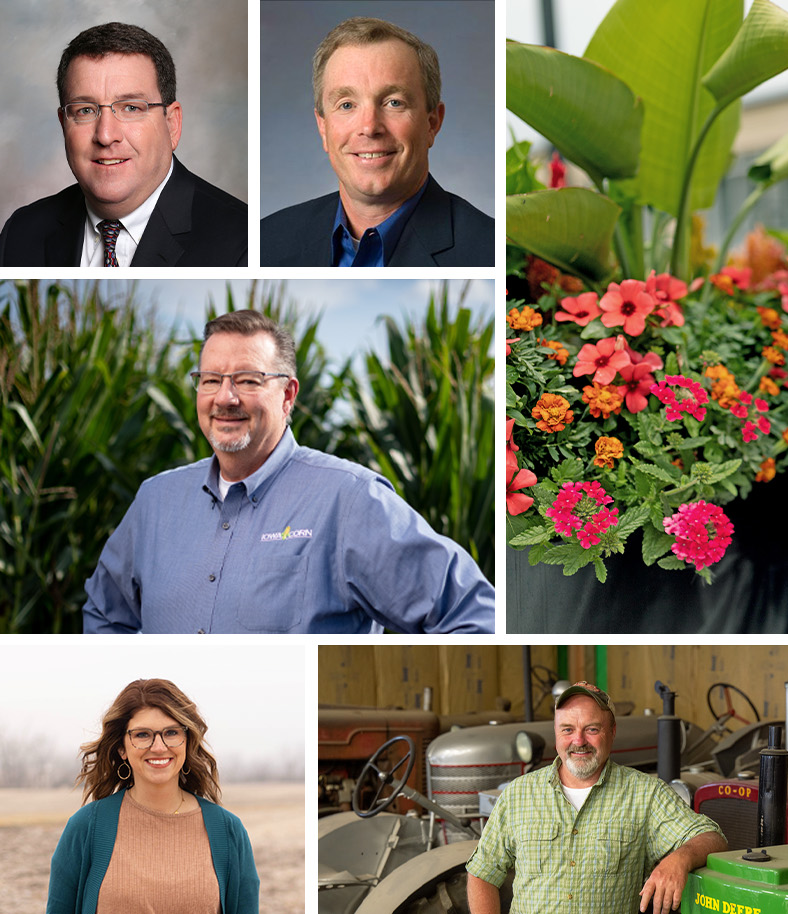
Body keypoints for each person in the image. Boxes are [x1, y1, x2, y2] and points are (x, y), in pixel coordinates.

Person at [82, 309, 495, 633]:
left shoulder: (349, 499)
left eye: (247, 380)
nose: (225, 398)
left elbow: (472, 613)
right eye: (210, 380)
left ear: (288, 394)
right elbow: (104, 613)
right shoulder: (155, 502)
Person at [466, 682, 728, 914]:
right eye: (567, 730)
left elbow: (712, 837)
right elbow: (483, 874)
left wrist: (679, 859)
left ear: (612, 732)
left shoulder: (645, 794)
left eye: (591, 729)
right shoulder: (518, 794)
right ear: (556, 732)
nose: (578, 741)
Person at [0, 22, 247, 267]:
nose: (106, 136)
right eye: (85, 110)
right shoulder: (20, 234)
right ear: (64, 123)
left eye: (131, 108)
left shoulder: (242, 242)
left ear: (172, 124)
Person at [261, 17, 494, 266]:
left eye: (394, 102)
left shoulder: (488, 251)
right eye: (347, 105)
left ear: (432, 123)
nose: (369, 127)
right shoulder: (266, 241)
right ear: (323, 126)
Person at [47, 678, 258, 914]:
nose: (158, 747)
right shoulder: (86, 827)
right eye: (142, 735)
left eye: (171, 732)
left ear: (187, 742)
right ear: (122, 748)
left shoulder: (228, 831)